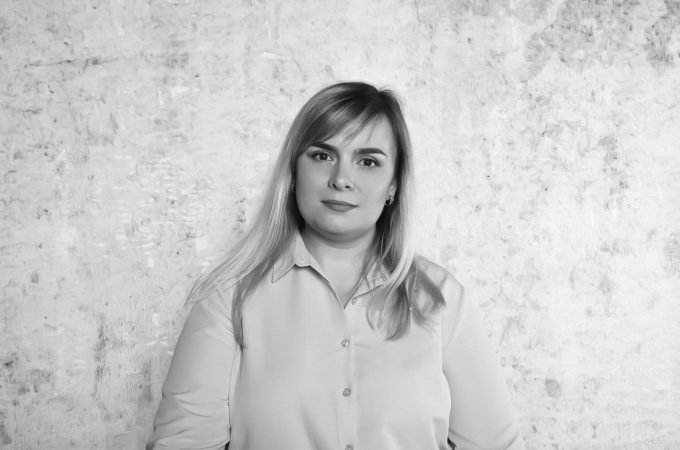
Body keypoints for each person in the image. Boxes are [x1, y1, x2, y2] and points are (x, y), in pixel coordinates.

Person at [148, 82, 524, 450]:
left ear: (393, 185)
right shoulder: (228, 297)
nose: (341, 179)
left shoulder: (441, 299)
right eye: (323, 156)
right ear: (293, 172)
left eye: (368, 161)